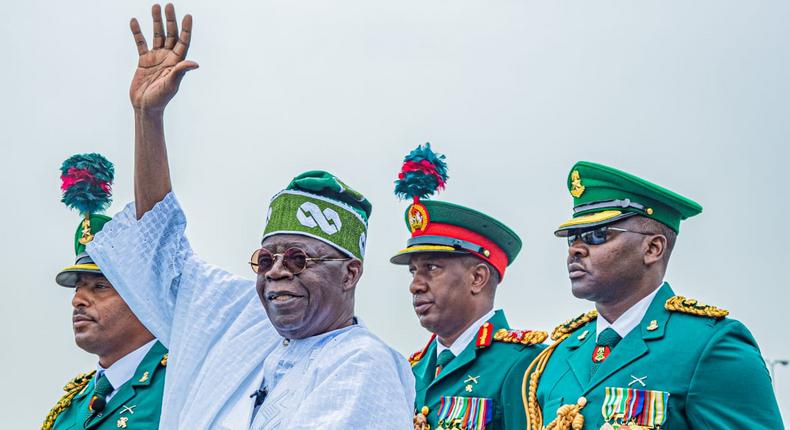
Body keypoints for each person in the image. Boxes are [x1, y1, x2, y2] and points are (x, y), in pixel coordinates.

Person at [85, 4, 414, 429]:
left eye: (299, 259)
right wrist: (148, 118)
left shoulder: (361, 364)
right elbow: (160, 256)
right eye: (266, 259)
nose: (277, 272)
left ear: (350, 273)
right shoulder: (244, 327)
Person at [518, 161, 784, 429]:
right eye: (571, 238)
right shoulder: (560, 354)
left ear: (653, 248)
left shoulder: (707, 346)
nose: (575, 249)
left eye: (597, 235)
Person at [388, 144, 547, 430]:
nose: (415, 285)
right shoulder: (412, 371)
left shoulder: (524, 363)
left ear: (478, 278)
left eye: (431, 268)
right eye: (413, 271)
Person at [43, 154, 167, 430]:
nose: (78, 301)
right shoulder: (70, 408)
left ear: (141, 296)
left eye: (100, 287)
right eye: (77, 288)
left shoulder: (180, 381)